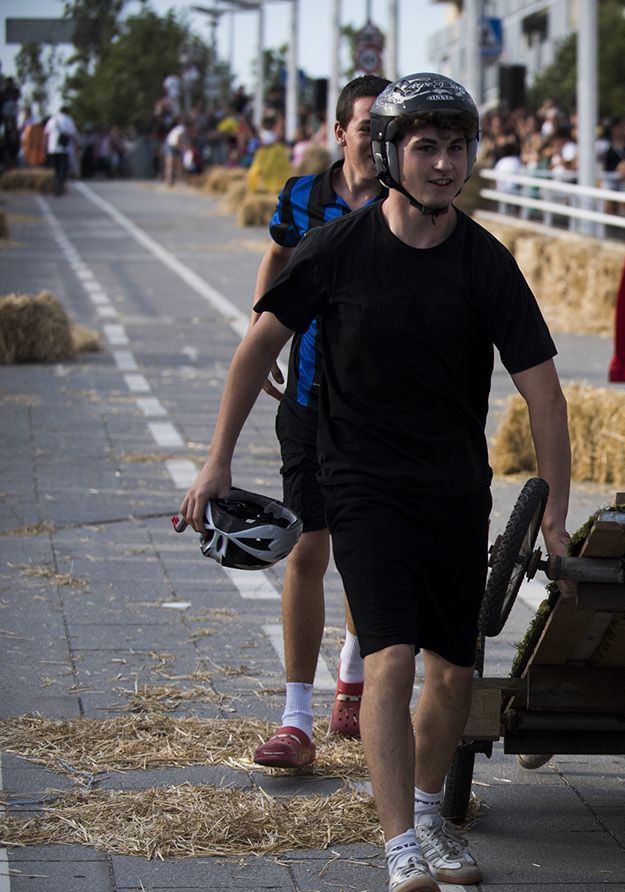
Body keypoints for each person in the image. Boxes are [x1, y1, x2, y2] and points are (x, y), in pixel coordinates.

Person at [181, 73, 573, 892]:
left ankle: (429, 810)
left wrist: (554, 503)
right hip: (361, 483)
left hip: (457, 489)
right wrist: (216, 461)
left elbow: (542, 389)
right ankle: (400, 853)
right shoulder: (338, 248)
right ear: (391, 153)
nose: (443, 163)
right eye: (426, 146)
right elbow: (257, 350)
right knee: (391, 660)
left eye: (457, 146)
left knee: (456, 673)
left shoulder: (486, 261)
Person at [247, 75, 391, 771]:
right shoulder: (303, 197)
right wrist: (262, 323)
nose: (376, 136)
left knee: (367, 557)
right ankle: (295, 719)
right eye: (367, 124)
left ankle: (353, 678)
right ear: (340, 132)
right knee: (308, 551)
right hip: (307, 400)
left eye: (387, 125)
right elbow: (277, 251)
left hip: (381, 408)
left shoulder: (409, 199)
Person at [44, 104, 76, 196]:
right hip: (63, 148)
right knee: (63, 169)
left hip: (52, 148)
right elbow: (72, 134)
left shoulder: (52, 120)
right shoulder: (68, 120)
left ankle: (55, 185)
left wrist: (45, 146)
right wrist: (77, 145)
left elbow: (46, 133)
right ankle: (58, 185)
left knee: (57, 169)